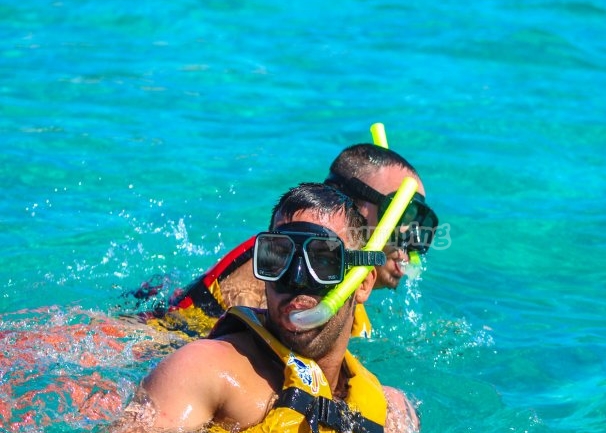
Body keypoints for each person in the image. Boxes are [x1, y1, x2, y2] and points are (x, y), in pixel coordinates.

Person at [83, 183, 420, 433]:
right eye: (278, 258)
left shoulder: (391, 412)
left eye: (323, 260)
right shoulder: (209, 369)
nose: (296, 278)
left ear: (362, 284)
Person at [141, 143, 439, 338]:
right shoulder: (279, 269)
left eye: (416, 223)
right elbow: (201, 344)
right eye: (400, 217)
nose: (408, 239)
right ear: (350, 206)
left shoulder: (345, 277)